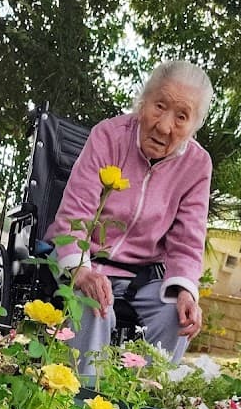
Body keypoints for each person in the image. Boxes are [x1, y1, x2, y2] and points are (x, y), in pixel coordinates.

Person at [45, 59, 213, 376]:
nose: (164, 126)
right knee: (94, 305)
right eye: (159, 106)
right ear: (143, 101)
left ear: (194, 126)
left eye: (181, 117)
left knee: (177, 318)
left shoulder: (197, 165)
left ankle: (143, 397)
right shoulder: (108, 136)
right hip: (84, 259)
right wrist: (82, 270)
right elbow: (76, 211)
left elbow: (188, 241)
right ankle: (81, 396)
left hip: (142, 276)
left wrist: (186, 291)